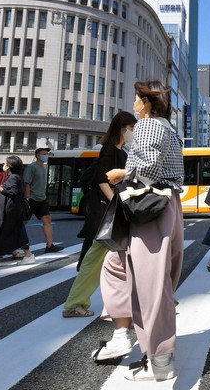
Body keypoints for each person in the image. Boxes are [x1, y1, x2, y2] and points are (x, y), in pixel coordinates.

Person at [105, 81, 184, 382]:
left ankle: (160, 360)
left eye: (137, 99)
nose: (135, 104)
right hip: (164, 205)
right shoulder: (169, 129)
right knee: (120, 267)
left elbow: (148, 168)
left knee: (149, 283)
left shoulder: (148, 125)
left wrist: (121, 173)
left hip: (150, 208)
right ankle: (128, 332)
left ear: (147, 103)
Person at [61, 111, 136, 319]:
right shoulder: (110, 149)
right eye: (131, 128)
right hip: (107, 214)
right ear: (122, 128)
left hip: (110, 212)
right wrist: (116, 203)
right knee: (94, 262)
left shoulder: (120, 151)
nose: (133, 133)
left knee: (108, 260)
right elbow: (103, 180)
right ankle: (75, 303)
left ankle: (127, 304)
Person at [0, 156, 35, 265]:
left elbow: (13, 193)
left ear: (10, 166)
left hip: (9, 210)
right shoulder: (17, 176)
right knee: (13, 231)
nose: (4, 165)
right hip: (11, 209)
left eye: (5, 163)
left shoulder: (13, 177)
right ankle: (27, 254)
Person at [23, 148, 63, 253]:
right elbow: (26, 182)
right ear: (37, 156)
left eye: (47, 154)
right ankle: (12, 244)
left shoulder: (43, 168)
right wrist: (27, 198)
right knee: (23, 222)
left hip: (42, 198)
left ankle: (49, 246)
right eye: (44, 154)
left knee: (47, 219)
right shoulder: (32, 167)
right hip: (32, 198)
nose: (46, 155)